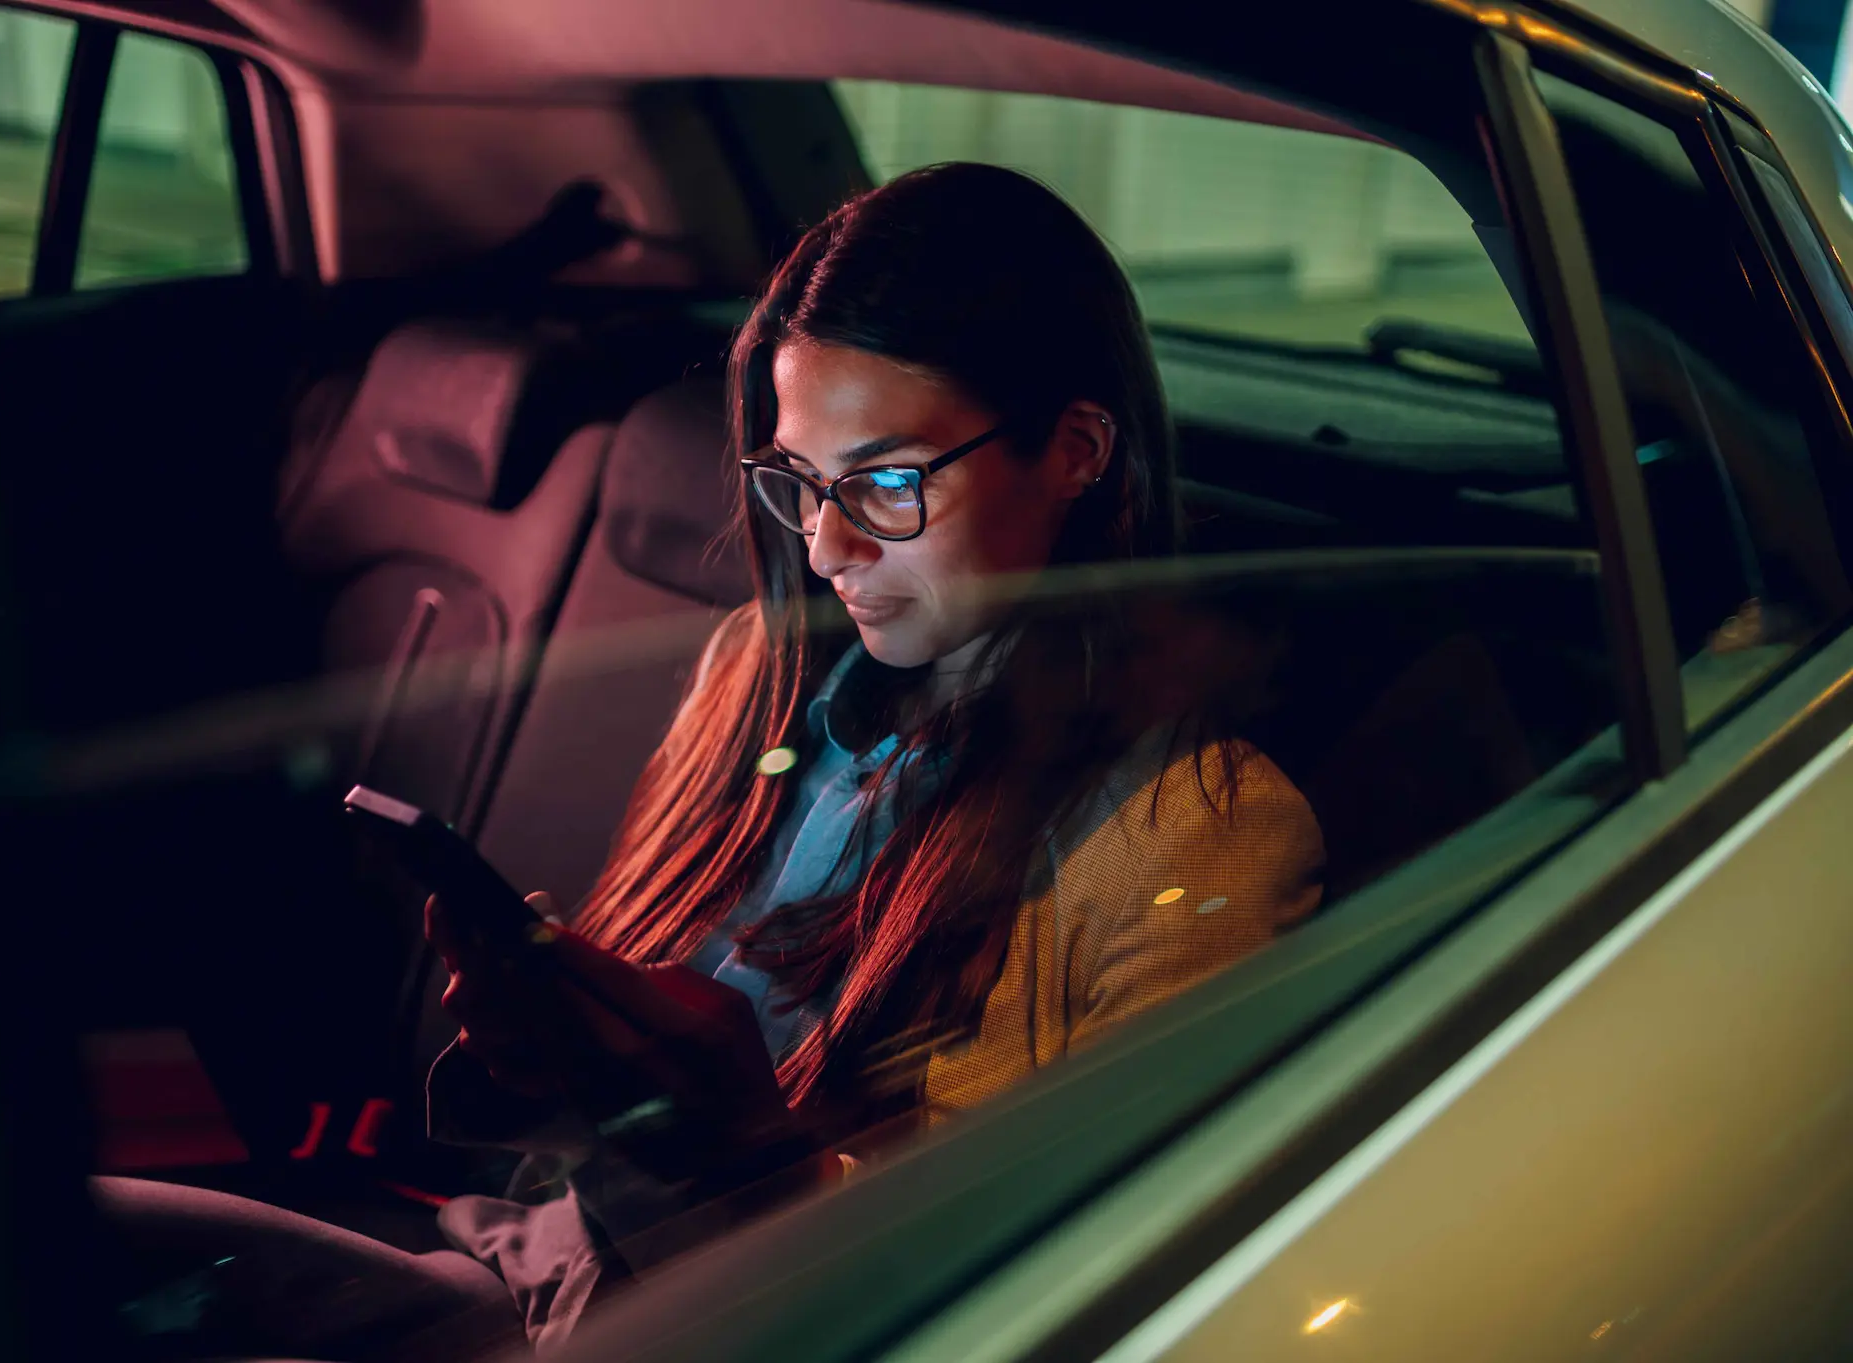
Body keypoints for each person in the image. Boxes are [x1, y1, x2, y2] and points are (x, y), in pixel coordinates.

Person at [423, 162, 1326, 1346]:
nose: (825, 547)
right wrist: (564, 1055)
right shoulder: (761, 670)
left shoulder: (1197, 832)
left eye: (887, 482)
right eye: (796, 482)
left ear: (1075, 449)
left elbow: (1097, 1289)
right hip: (536, 1260)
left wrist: (759, 1158)